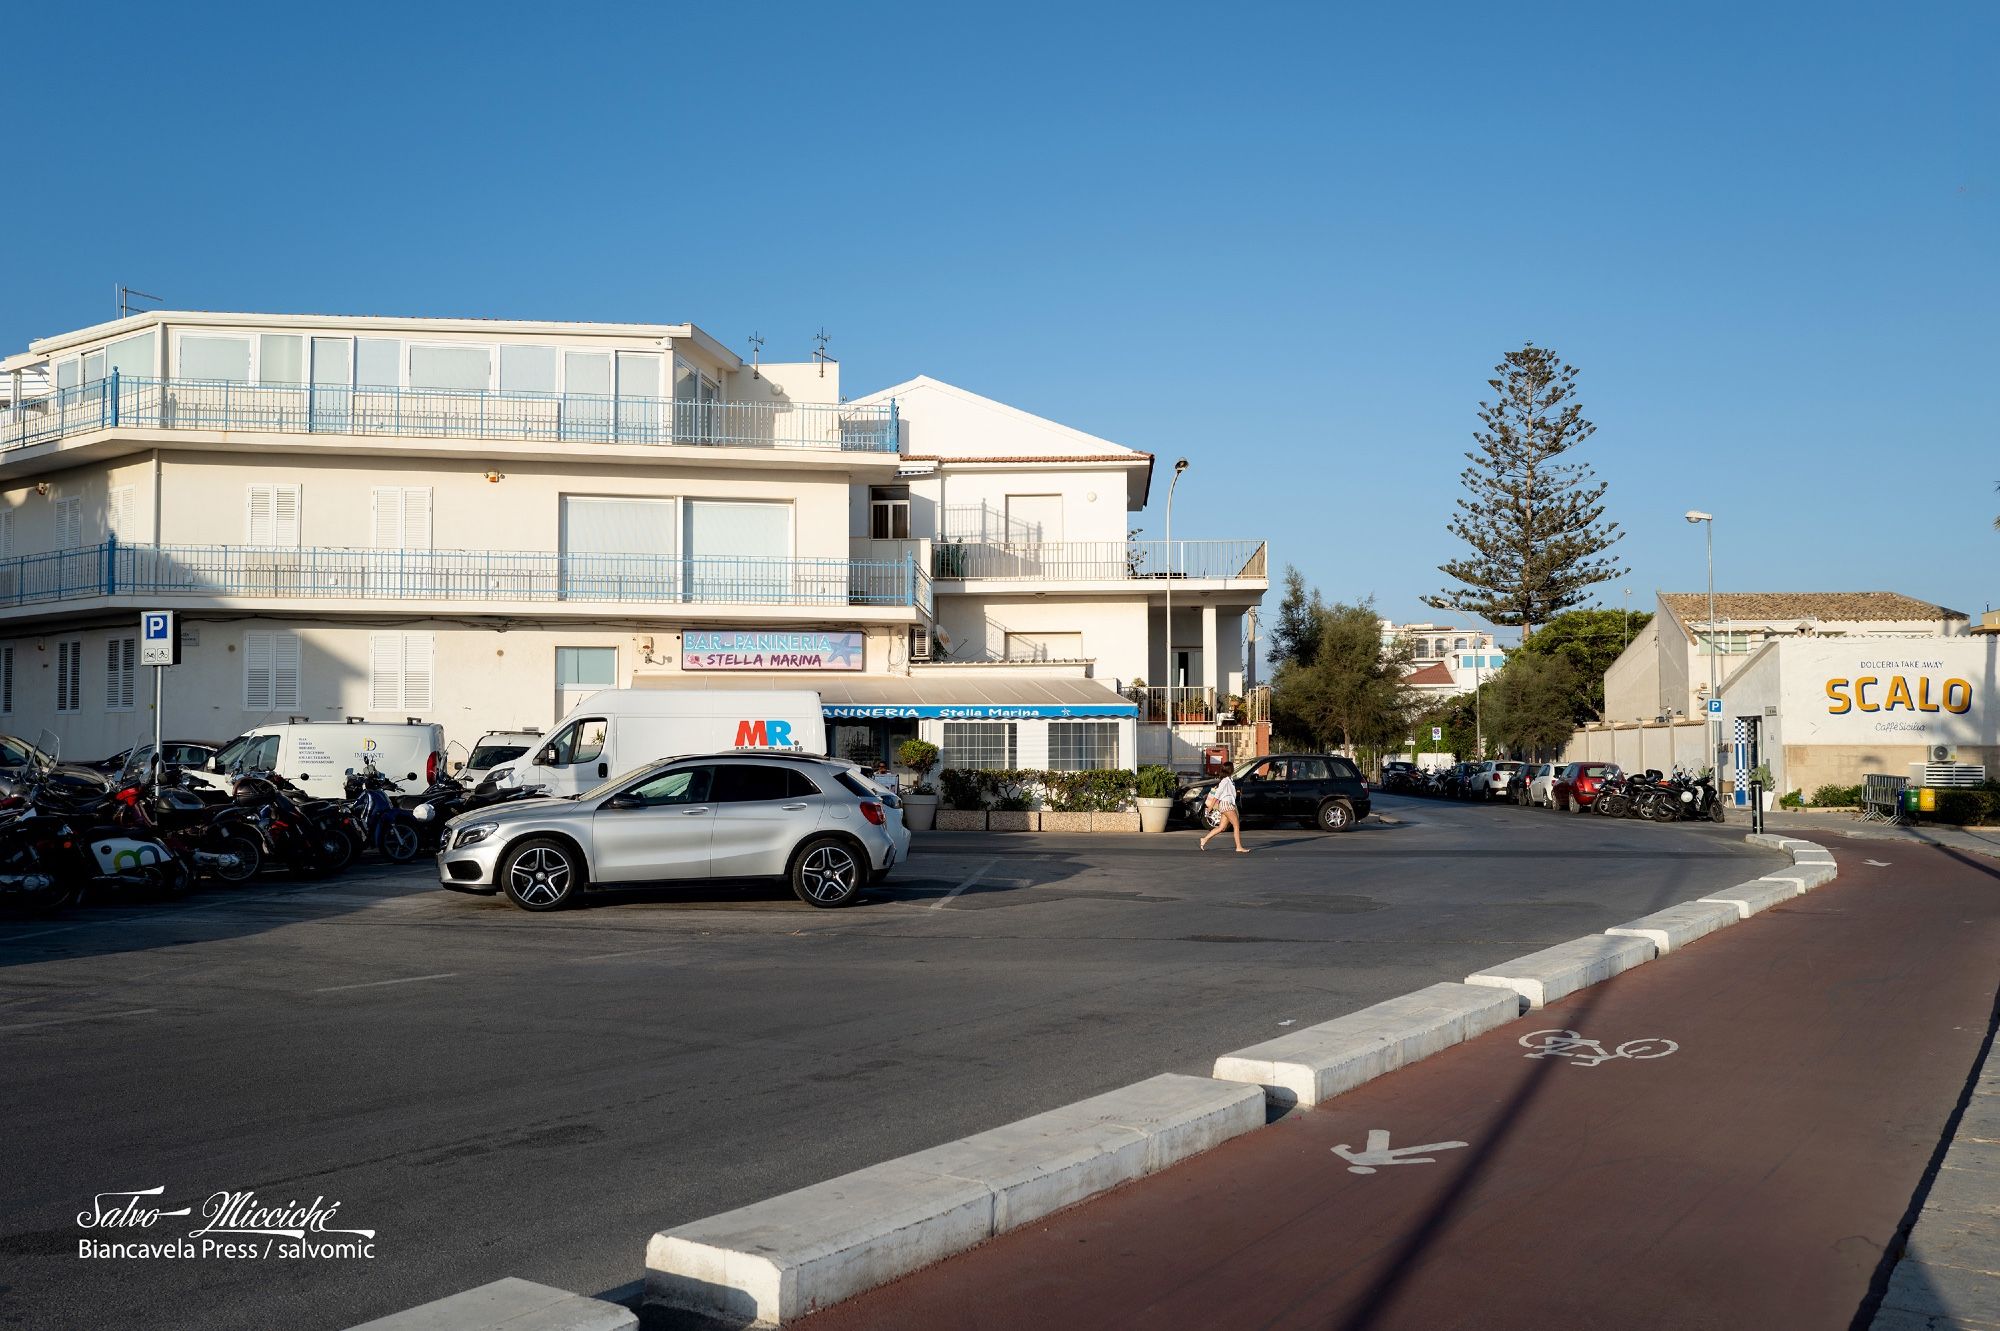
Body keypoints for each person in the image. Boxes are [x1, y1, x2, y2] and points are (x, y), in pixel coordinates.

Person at [1198, 771, 1248, 853]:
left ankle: (1204, 839)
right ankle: (1238, 847)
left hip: (1227, 804)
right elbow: (1217, 794)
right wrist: (1210, 807)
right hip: (1226, 805)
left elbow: (1228, 793)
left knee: (1222, 827)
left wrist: (1237, 792)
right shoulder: (1225, 781)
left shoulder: (1230, 780)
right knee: (1236, 825)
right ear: (1230, 770)